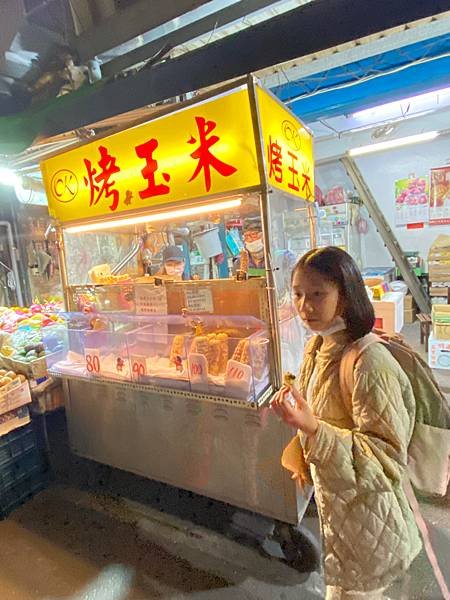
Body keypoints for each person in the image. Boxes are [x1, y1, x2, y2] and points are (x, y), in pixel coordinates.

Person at [271, 247, 421, 600]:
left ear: (346, 294)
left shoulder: (370, 364)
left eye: (318, 294)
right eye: (297, 294)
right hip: (340, 522)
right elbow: (320, 418)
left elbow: (386, 461)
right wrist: (303, 453)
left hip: (371, 525)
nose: (305, 306)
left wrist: (313, 431)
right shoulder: (317, 347)